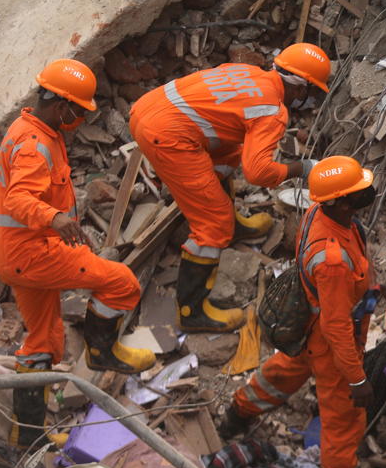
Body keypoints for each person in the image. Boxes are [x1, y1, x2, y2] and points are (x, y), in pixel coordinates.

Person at [0, 59, 156, 448]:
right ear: (61, 104)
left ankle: (25, 436)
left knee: (43, 341)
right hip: (32, 254)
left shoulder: (29, 128)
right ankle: (102, 352)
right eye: (79, 111)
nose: (81, 118)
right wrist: (55, 218)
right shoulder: (34, 145)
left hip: (13, 253)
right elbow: (18, 199)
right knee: (122, 283)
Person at [218, 156, 386, 468]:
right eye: (360, 190)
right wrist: (357, 379)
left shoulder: (319, 211)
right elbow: (337, 326)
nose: (368, 192)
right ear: (342, 201)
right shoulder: (332, 260)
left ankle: (238, 412)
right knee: (343, 420)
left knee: (284, 371)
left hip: (309, 327)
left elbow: (317, 174)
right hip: (332, 341)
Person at [129, 43, 332, 334]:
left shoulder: (248, 72)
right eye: (311, 92)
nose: (309, 100)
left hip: (149, 107)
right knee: (213, 225)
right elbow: (258, 173)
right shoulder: (272, 111)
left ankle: (230, 221)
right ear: (301, 88)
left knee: (230, 151)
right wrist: (304, 168)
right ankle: (192, 312)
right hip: (168, 136)